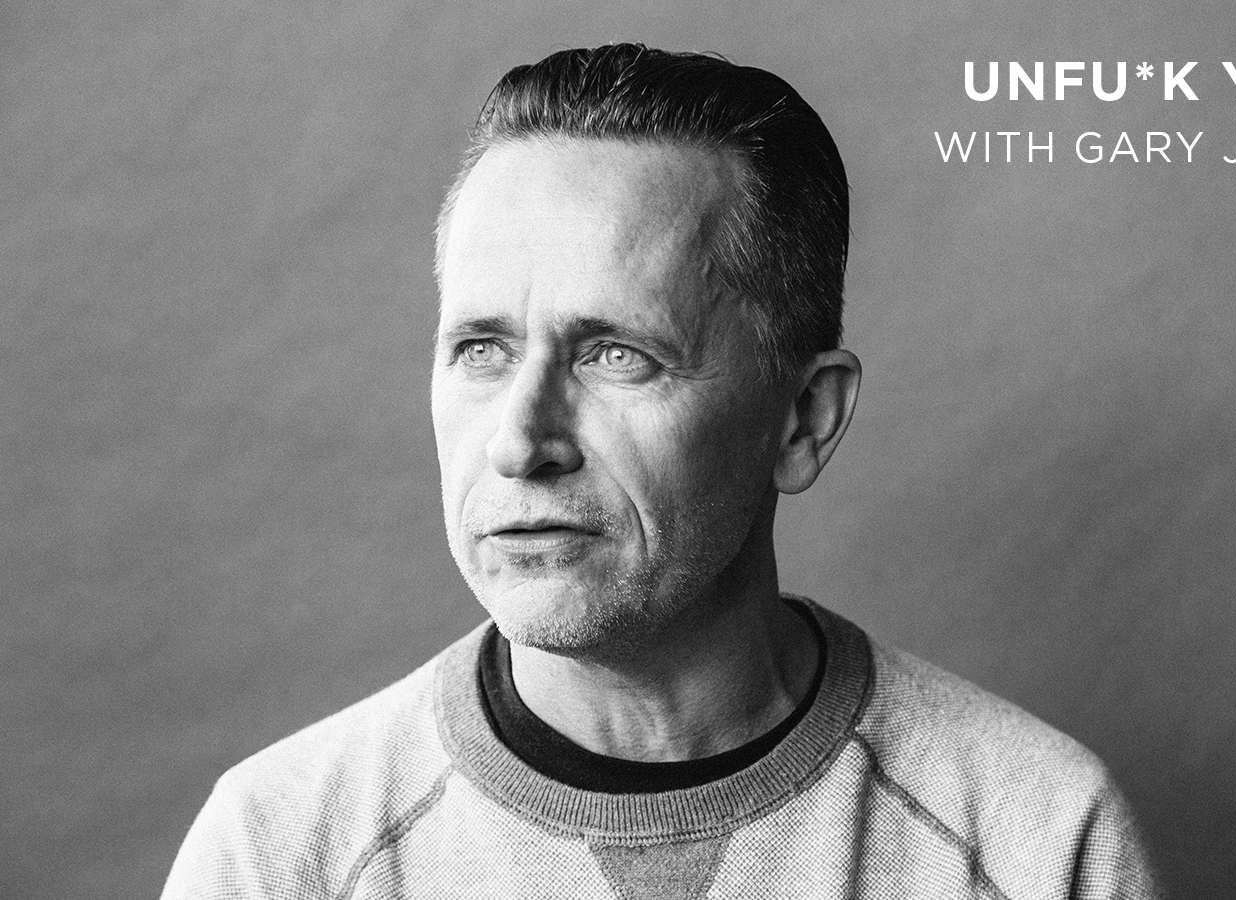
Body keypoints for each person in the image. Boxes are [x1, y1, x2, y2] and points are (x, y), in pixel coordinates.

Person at [162, 43, 1161, 899]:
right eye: (482, 350)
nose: (520, 442)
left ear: (804, 420)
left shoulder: (1033, 842)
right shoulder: (279, 854)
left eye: (616, 355)